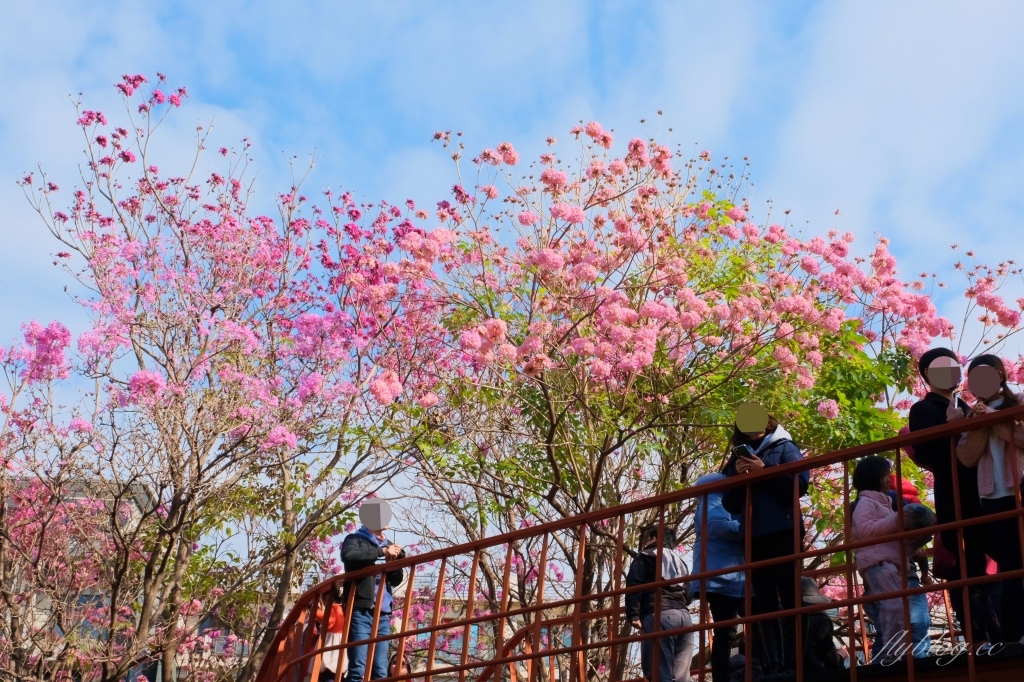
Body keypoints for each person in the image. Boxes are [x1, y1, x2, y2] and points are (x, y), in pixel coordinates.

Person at [907, 347, 1000, 644]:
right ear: (926, 376)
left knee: (998, 556)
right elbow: (925, 452)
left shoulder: (969, 404)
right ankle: (980, 636)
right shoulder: (923, 410)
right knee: (966, 564)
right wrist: (950, 427)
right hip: (955, 494)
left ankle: (1002, 629)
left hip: (984, 490)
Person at [721, 410, 809, 678]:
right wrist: (739, 477)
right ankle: (775, 665)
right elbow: (729, 502)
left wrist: (764, 470)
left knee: (792, 595)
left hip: (783, 529)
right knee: (763, 602)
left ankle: (796, 664)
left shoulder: (784, 446)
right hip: (754, 534)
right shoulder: (737, 458)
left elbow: (799, 484)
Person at [956, 354, 1024, 642]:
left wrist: (993, 421)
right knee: (1011, 565)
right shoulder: (972, 414)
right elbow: (967, 456)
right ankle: (1021, 631)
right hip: (993, 495)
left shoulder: (1018, 400)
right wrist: (979, 423)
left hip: (1020, 486)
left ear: (999, 374)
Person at [851, 456, 917, 665]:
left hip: (888, 563)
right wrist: (897, 519)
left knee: (895, 609)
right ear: (872, 478)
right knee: (893, 607)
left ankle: (891, 654)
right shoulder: (866, 502)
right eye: (883, 476)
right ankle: (891, 655)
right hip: (877, 563)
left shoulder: (884, 502)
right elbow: (865, 531)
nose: (888, 480)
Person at [341, 512, 406, 682]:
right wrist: (381, 551)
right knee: (358, 668)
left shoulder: (390, 544)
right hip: (361, 609)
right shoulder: (355, 539)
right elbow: (349, 555)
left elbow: (397, 579)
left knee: (380, 669)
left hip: (383, 613)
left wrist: (392, 564)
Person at [693, 472, 745, 682]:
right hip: (721, 574)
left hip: (730, 574)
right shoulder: (714, 495)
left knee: (733, 628)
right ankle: (722, 677)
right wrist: (747, 529)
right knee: (726, 631)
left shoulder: (717, 495)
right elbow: (716, 526)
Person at [625, 526, 695, 682]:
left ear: (655, 539)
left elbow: (634, 585)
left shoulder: (645, 556)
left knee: (659, 673)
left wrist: (633, 614)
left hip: (660, 615)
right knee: (681, 677)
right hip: (685, 618)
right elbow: (689, 593)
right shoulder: (681, 562)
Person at [800, 578, 843, 672]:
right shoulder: (819, 619)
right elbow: (832, 663)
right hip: (813, 673)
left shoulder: (776, 618)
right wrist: (841, 656)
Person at [313, 601, 347, 681]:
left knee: (328, 670)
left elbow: (329, 621)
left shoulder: (334, 607)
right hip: (341, 644)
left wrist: (316, 611)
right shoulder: (344, 609)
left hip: (331, 647)